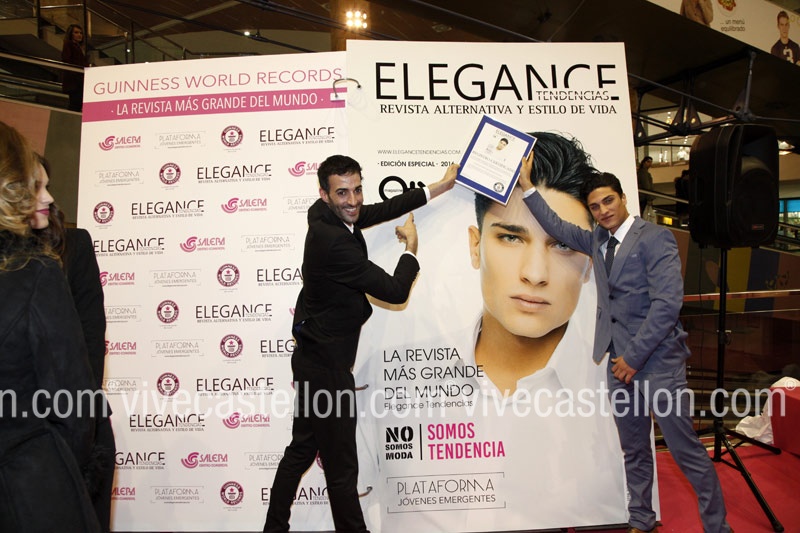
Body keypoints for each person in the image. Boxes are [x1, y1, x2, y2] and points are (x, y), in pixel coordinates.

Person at [353, 132, 627, 533]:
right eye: (511, 237)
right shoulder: (389, 377)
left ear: (591, 263)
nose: (534, 274)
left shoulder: (618, 397)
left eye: (563, 245)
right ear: (475, 246)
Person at [519, 163, 731, 533]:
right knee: (634, 449)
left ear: (623, 198)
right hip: (617, 365)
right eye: (595, 206)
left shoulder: (655, 238)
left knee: (685, 450)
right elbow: (557, 226)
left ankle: (718, 527)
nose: (603, 210)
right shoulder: (597, 240)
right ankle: (642, 519)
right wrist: (527, 186)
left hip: (657, 363)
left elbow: (667, 305)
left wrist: (632, 358)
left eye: (608, 201)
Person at [263, 154, 459, 533]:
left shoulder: (326, 215)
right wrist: (411, 247)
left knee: (301, 451)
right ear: (324, 193)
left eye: (357, 190)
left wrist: (439, 187)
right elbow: (395, 290)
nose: (353, 200)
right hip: (327, 371)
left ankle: (274, 529)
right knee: (341, 469)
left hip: (312, 361)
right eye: (342, 193)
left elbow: (379, 210)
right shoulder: (334, 243)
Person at [0, 121, 100, 532]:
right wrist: (61, 472)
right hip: (30, 488)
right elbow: (73, 400)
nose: (49, 197)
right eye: (35, 185)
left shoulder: (50, 261)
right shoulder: (34, 271)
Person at [34, 157, 115, 533]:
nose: (48, 197)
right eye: (36, 186)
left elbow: (90, 341)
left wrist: (77, 426)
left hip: (78, 430)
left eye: (48, 185)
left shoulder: (74, 246)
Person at [61, 24, 88, 111]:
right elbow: (66, 60)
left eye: (80, 33)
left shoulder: (77, 46)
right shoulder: (69, 44)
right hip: (74, 81)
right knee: (75, 104)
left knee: (77, 104)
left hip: (77, 80)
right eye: (76, 32)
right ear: (71, 34)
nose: (79, 35)